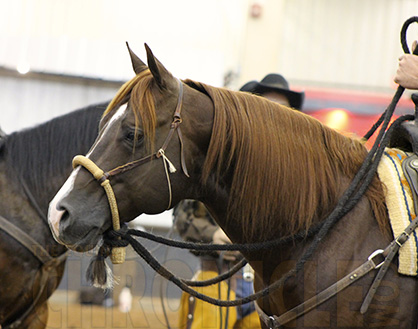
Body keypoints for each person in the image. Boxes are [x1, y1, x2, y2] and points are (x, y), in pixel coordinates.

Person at [174, 74, 303, 329]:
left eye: (282, 111)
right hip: (218, 278)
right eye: (269, 108)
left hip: (270, 287)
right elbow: (183, 217)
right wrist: (213, 234)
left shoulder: (295, 179)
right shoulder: (217, 165)